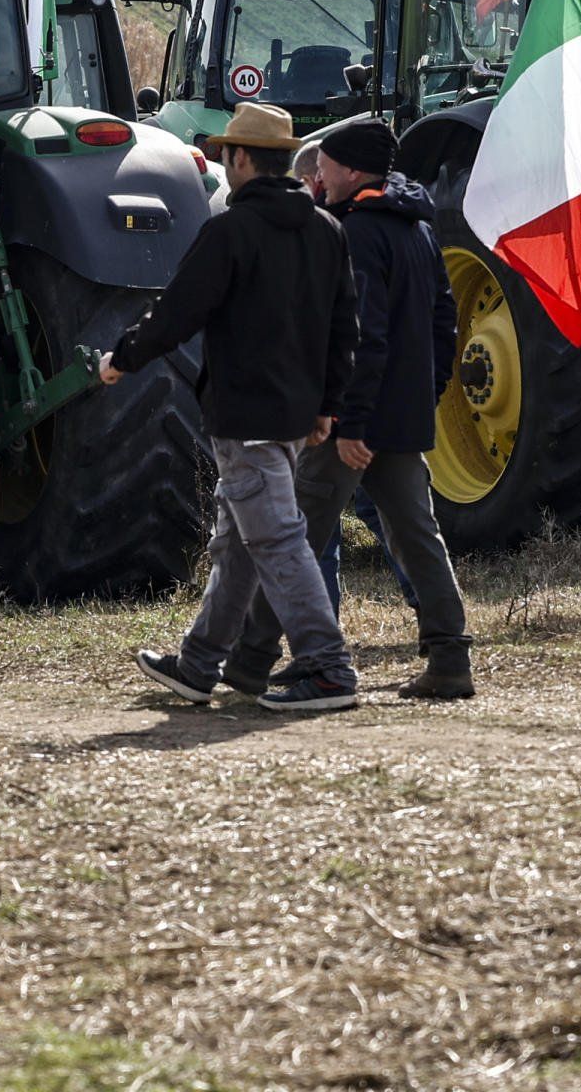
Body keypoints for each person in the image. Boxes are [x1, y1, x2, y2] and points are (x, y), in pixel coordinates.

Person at [109, 102, 361, 713]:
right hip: (295, 414)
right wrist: (327, 405)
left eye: (226, 155)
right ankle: (199, 665)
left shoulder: (230, 231)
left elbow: (177, 312)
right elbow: (343, 328)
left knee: (276, 540)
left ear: (242, 159)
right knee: (240, 543)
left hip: (245, 415)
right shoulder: (327, 229)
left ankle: (329, 668)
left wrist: (124, 358)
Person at [228, 119, 474, 702]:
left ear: (354, 170)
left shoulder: (358, 233)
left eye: (326, 166)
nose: (317, 175)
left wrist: (351, 423)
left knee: (293, 539)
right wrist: (425, 394)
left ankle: (251, 660)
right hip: (400, 416)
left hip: (354, 425)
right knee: (417, 535)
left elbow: (364, 338)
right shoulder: (418, 229)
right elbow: (445, 320)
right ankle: (449, 658)